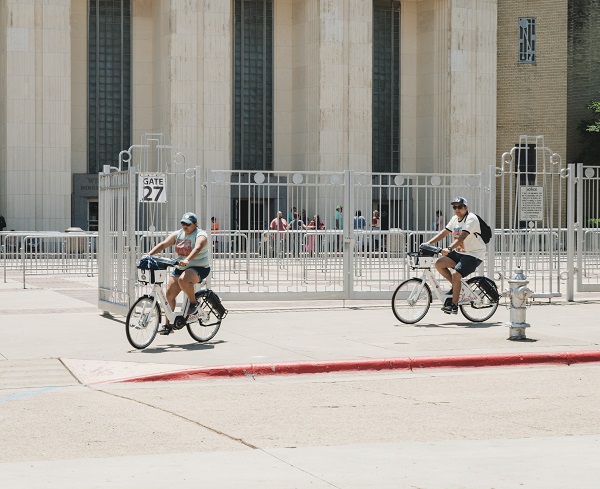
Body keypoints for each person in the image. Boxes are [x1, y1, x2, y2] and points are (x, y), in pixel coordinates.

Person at [146, 212, 210, 335]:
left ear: (195, 224)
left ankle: (193, 303)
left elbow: (197, 248)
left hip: (199, 267)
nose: (184, 226)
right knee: (169, 294)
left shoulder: (201, 235)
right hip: (181, 267)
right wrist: (149, 254)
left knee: (183, 280)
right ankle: (168, 325)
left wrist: (187, 260)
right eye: (182, 223)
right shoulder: (179, 234)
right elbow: (163, 244)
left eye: (188, 224)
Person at [422, 197, 487, 315]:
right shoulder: (454, 219)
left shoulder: (471, 218)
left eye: (460, 207)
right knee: (439, 264)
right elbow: (444, 232)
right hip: (460, 252)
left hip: (474, 254)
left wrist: (449, 248)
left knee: (456, 274)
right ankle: (458, 287)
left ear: (466, 207)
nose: (457, 209)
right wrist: (428, 243)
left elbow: (462, 236)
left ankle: (454, 305)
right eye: (454, 207)